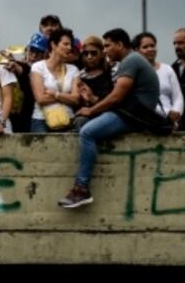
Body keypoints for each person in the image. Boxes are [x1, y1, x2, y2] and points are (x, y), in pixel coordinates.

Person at [61, 28, 164, 209]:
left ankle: (81, 189)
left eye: (108, 46)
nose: (105, 50)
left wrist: (91, 110)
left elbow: (116, 97)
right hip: (130, 112)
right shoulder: (130, 60)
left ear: (120, 44)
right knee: (82, 123)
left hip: (133, 116)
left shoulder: (131, 61)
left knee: (87, 132)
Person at [30, 28, 79, 133]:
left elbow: (76, 100)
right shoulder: (38, 67)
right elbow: (41, 99)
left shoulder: (73, 70)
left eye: (70, 45)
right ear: (53, 44)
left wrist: (55, 94)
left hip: (67, 119)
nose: (69, 48)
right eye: (65, 44)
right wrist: (66, 96)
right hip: (41, 119)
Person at [135, 32, 183, 127]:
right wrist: (167, 113)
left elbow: (178, 97)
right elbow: (143, 101)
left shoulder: (168, 69)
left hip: (171, 124)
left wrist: (176, 114)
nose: (150, 49)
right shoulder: (136, 73)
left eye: (152, 46)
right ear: (137, 50)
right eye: (145, 47)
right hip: (148, 122)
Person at [74, 35, 113, 130]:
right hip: (83, 117)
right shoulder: (79, 75)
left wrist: (92, 98)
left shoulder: (110, 73)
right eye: (86, 54)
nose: (89, 57)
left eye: (93, 53)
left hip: (105, 115)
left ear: (102, 54)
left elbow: (114, 101)